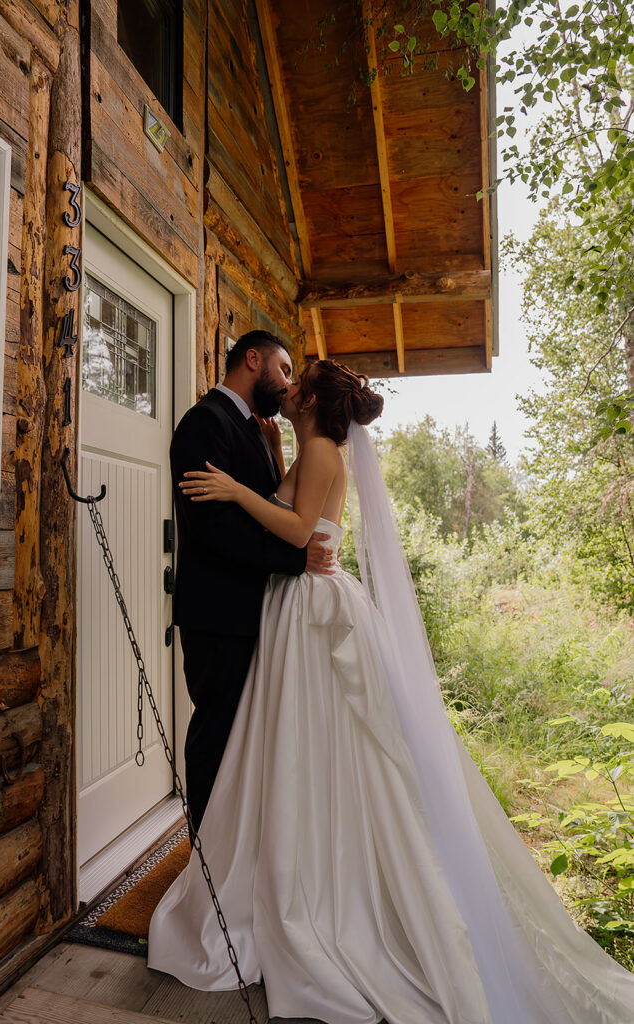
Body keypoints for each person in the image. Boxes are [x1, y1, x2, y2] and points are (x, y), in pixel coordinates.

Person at [150, 359, 634, 1023]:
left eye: (297, 383)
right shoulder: (308, 448)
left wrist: (234, 492)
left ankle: (326, 882)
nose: (286, 390)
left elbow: (294, 531)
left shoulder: (322, 451)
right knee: (301, 740)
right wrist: (263, 462)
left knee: (324, 739)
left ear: (314, 398)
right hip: (297, 603)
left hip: (315, 607)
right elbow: (287, 510)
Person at [169, 331, 335, 838]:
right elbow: (214, 528)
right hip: (218, 615)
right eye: (285, 370)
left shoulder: (254, 430)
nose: (287, 383)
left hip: (252, 612)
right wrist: (295, 558)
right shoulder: (204, 424)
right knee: (216, 735)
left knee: (247, 739)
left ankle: (240, 850)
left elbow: (271, 507)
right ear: (252, 358)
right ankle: (206, 859)